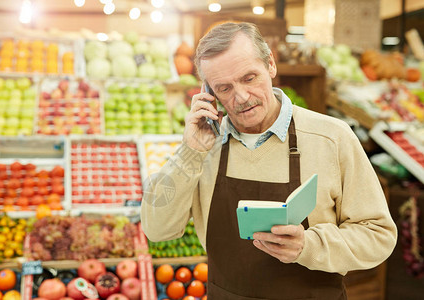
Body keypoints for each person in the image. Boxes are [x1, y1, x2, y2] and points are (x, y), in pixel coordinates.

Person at [141, 22, 397, 299]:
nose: (241, 97)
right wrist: (191, 151)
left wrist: (309, 246)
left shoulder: (332, 138)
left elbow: (378, 235)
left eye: (249, 78)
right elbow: (157, 229)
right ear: (208, 93)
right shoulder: (204, 148)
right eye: (224, 88)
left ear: (271, 65)